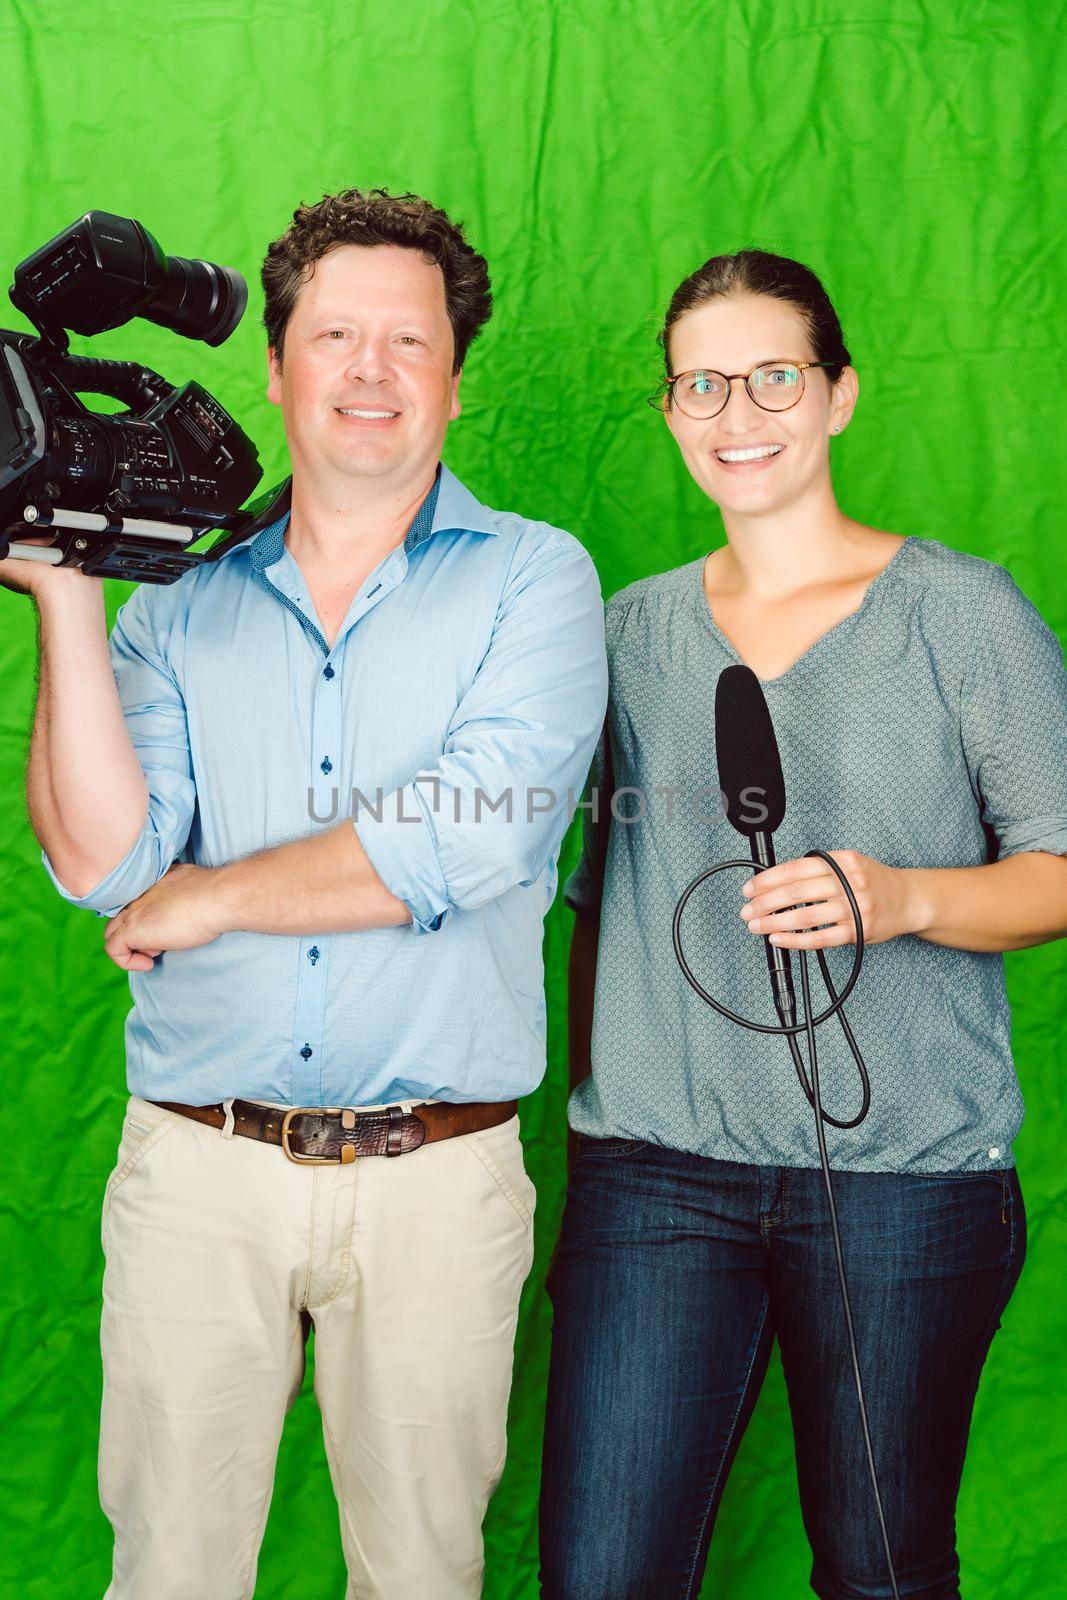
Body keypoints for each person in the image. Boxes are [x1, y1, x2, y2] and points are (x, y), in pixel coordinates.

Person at [1, 187, 607, 1600]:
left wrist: (209, 901)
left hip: (438, 1182)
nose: (370, 369)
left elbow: (474, 838)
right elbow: (101, 866)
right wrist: (72, 602)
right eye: (334, 335)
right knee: (169, 1576)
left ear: (456, 375)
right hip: (197, 1173)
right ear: (277, 368)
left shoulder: (537, 579)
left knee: (419, 1579)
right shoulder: (170, 608)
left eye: (408, 339)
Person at [538, 248, 1067, 1600]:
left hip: (906, 1186)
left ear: (837, 395)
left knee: (882, 1571)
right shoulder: (620, 636)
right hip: (654, 1178)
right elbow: (594, 904)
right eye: (701, 385)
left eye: (774, 376)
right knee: (604, 1574)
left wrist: (906, 899)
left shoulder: (966, 611)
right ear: (669, 412)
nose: (737, 412)